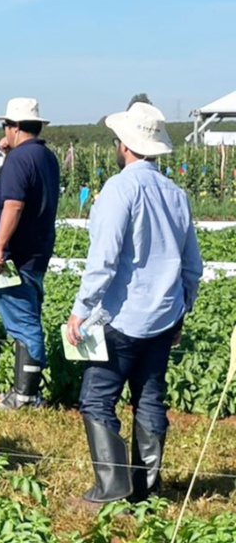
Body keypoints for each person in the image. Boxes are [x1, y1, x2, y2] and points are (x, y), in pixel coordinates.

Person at [66, 102, 202, 511]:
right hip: (163, 317)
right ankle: (146, 485)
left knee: (97, 398)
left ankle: (112, 487)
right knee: (150, 396)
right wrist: (183, 309)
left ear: (125, 145)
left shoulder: (119, 190)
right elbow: (193, 264)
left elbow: (104, 259)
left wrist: (80, 309)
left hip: (120, 318)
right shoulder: (176, 195)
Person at [0, 98, 61, 410]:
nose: (4, 131)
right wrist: (11, 150)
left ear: (14, 127)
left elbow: (14, 204)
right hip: (35, 252)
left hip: (14, 258)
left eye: (5, 126)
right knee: (27, 317)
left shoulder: (19, 160)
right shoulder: (44, 156)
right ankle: (24, 391)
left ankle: (26, 397)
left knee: (23, 323)